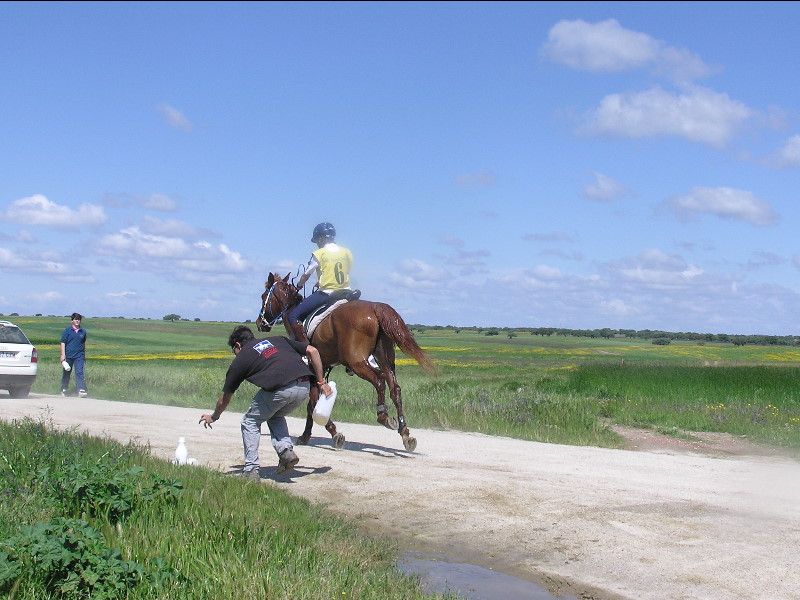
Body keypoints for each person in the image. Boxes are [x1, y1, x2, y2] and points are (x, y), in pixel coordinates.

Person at [198, 325, 332, 480]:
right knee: (274, 415)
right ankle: (285, 452)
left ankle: (251, 471)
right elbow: (312, 351)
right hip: (304, 387)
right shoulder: (278, 339)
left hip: (281, 389)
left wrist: (214, 416)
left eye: (233, 350)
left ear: (237, 345)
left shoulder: (241, 359)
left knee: (250, 421)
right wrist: (321, 382)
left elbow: (224, 399)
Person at [285, 222, 353, 343]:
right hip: (347, 291)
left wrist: (299, 286)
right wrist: (320, 281)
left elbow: (306, 275)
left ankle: (306, 348)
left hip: (327, 293)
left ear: (321, 238)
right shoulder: (346, 252)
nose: (316, 243)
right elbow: (345, 270)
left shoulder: (319, 253)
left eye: (316, 240)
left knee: (293, 316)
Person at [60, 312, 87, 397]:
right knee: (67, 372)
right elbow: (63, 343)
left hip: (79, 355)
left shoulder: (83, 331)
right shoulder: (67, 331)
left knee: (79, 372)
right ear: (72, 320)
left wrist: (84, 355)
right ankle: (64, 388)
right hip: (69, 355)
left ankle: (81, 389)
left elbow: (83, 343)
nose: (77, 321)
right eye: (75, 319)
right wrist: (63, 355)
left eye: (79, 319)